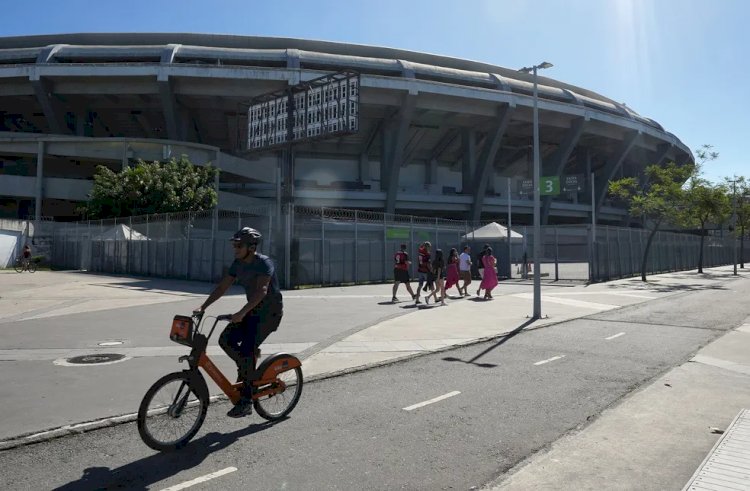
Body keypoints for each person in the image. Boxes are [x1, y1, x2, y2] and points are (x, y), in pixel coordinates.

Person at [196, 227, 283, 418]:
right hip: (252, 311)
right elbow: (222, 287)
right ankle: (246, 369)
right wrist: (203, 307)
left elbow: (262, 291)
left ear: (251, 248)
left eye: (238, 245)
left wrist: (241, 312)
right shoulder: (238, 264)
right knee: (225, 340)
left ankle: (246, 402)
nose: (235, 248)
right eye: (234, 245)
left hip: (270, 314)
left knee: (246, 350)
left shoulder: (263, 263)